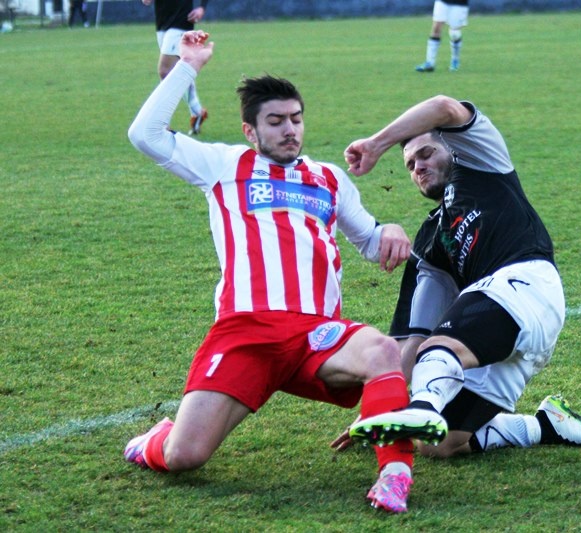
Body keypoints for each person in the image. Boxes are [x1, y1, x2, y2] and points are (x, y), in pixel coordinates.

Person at [124, 30, 418, 514]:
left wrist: (391, 228)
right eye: (276, 121)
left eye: (296, 119)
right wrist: (188, 64)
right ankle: (156, 440)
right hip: (246, 333)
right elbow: (144, 135)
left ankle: (395, 473)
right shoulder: (222, 164)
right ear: (250, 131)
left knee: (384, 349)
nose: (290, 130)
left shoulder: (328, 177)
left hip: (314, 334)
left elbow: (369, 239)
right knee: (185, 456)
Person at [339, 95, 581, 460]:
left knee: (436, 356)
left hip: (526, 285)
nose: (418, 167)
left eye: (426, 154)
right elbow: (414, 338)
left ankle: (422, 409)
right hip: (507, 334)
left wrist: (378, 143)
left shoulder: (483, 166)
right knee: (438, 445)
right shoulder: (430, 240)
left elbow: (444, 106)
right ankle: (547, 425)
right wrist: (379, 411)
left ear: (452, 147)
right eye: (410, 165)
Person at [142, 0, 209, 134]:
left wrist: (202, 7)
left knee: (165, 71)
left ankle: (162, 123)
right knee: (179, 70)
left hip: (181, 21)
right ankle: (197, 111)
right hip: (162, 23)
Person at [415, 0, 468, 73]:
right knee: (436, 28)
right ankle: (430, 63)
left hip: (459, 3)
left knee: (454, 33)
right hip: (442, 2)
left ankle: (455, 60)